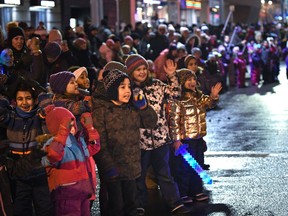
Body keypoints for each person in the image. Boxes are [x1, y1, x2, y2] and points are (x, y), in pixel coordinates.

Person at [124, 54, 191, 215]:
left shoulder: (156, 85)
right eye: (138, 70)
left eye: (144, 69)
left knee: (164, 173)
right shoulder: (129, 90)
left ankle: (174, 202)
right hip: (140, 141)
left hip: (161, 139)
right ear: (131, 71)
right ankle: (139, 205)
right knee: (139, 176)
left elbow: (175, 94)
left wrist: (172, 75)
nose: (142, 72)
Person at [91, 69, 158, 216]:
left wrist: (144, 108)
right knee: (116, 206)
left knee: (132, 205)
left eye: (129, 86)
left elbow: (151, 123)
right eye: (122, 87)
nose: (128, 91)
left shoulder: (131, 109)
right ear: (113, 89)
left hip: (131, 168)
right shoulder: (101, 112)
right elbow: (99, 143)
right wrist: (108, 166)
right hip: (113, 170)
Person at [0, 78, 53, 216]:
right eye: (20, 99)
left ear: (34, 100)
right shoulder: (11, 117)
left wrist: (41, 93)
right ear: (15, 101)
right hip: (19, 172)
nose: (24, 103)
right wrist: (5, 97)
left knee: (45, 208)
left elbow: (49, 112)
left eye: (28, 98)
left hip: (39, 171)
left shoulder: (38, 117)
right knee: (21, 209)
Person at [168, 69, 222, 202]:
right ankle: (183, 193)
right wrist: (176, 140)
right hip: (185, 140)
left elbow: (208, 103)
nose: (192, 82)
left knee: (198, 165)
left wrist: (213, 97)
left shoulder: (198, 96)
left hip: (198, 138)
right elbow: (173, 122)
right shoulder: (178, 100)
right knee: (184, 168)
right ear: (181, 82)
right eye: (188, 80)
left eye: (193, 79)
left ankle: (196, 190)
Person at [41, 105, 100, 216]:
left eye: (73, 125)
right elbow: (54, 155)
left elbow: (94, 147)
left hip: (83, 192)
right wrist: (63, 133)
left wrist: (89, 128)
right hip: (66, 196)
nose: (72, 129)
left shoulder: (78, 141)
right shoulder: (51, 144)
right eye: (68, 126)